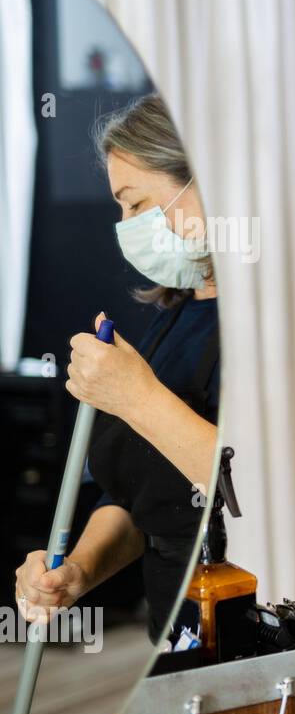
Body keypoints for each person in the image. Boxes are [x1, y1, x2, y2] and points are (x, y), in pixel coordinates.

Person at [14, 94, 220, 643]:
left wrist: (136, 397)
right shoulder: (175, 317)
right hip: (175, 624)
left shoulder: (270, 331)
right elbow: (139, 498)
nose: (124, 226)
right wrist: (77, 571)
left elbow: (250, 487)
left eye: (135, 203)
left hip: (247, 617)